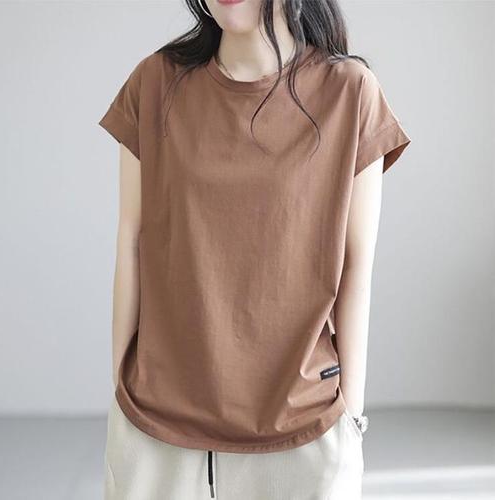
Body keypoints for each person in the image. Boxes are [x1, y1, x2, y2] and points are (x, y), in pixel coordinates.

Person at [98, 0, 411, 498]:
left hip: (304, 431)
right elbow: (130, 240)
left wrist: (350, 421)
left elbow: (357, 270)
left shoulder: (350, 94)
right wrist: (120, 395)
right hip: (156, 430)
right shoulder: (155, 84)